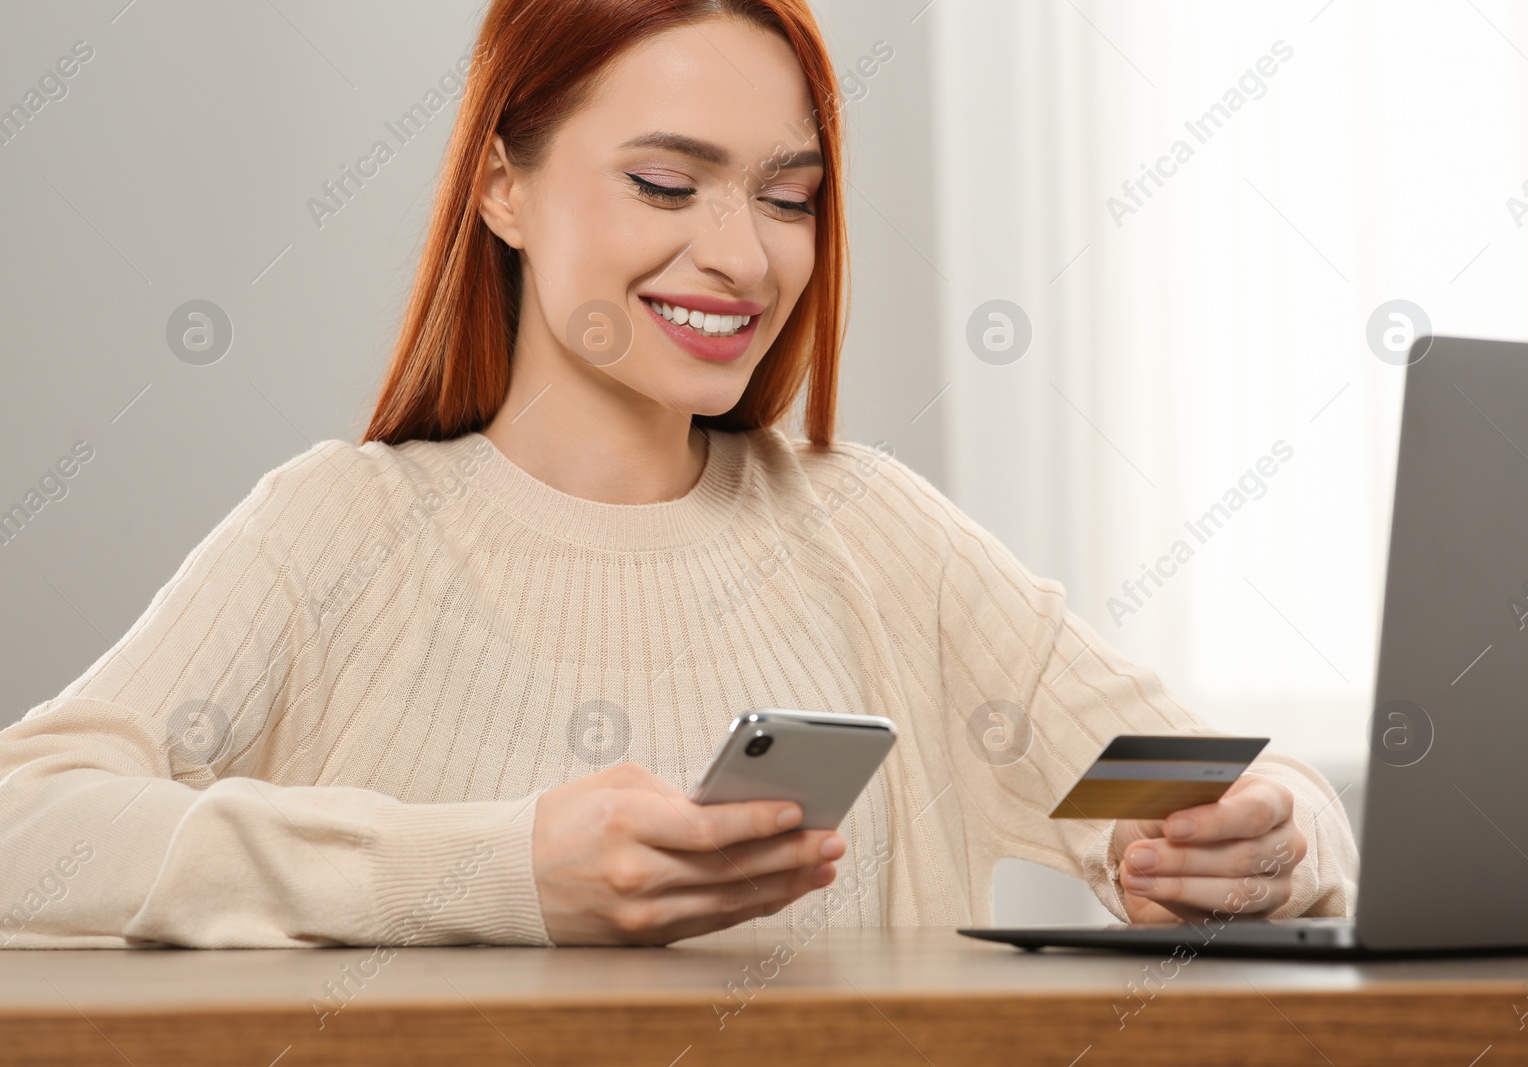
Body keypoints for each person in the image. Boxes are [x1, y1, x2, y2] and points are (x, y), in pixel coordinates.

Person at [0, 0, 1356, 949]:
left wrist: (1266, 838)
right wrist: (504, 869)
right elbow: (28, 833)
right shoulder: (339, 532)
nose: (744, 258)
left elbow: (1241, 784)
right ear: (503, 190)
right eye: (665, 183)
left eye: (787, 196)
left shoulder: (870, 529)